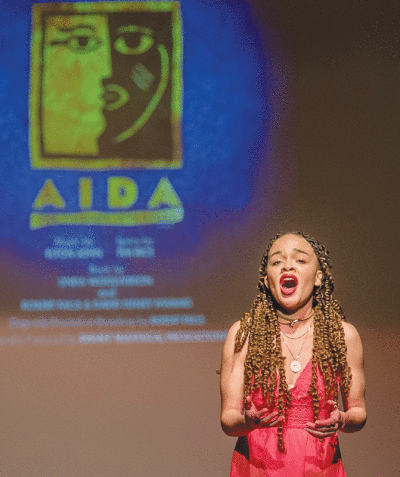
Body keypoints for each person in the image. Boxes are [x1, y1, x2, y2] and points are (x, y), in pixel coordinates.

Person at [220, 232, 366, 476]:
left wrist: (341, 419)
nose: (287, 265)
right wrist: (247, 422)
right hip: (257, 467)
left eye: (300, 260)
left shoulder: (343, 336)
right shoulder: (243, 334)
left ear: (318, 277)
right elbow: (228, 419)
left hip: (319, 467)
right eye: (277, 262)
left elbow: (358, 412)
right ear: (267, 280)